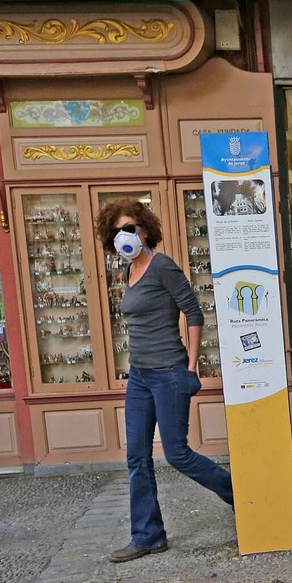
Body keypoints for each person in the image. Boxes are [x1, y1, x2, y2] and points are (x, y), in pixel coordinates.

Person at [98, 198, 233, 561]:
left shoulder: (162, 267)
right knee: (137, 458)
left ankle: (239, 494)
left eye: (130, 228)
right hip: (139, 376)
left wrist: (190, 368)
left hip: (169, 373)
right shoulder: (128, 273)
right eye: (117, 232)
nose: (124, 236)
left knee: (177, 454)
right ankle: (147, 536)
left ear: (145, 229)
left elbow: (193, 312)